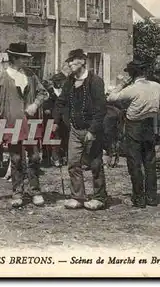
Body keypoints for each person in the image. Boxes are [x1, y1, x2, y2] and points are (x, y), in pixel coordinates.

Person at [0, 42, 48, 207]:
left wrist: (35, 104)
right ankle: (18, 192)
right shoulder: (0, 78)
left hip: (31, 124)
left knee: (35, 157)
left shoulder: (31, 75)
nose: (27, 61)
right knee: (16, 159)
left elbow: (43, 92)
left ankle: (35, 191)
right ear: (14, 58)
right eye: (23, 58)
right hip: (11, 124)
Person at [107, 60, 160, 207]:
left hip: (134, 126)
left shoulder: (132, 89)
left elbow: (111, 98)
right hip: (150, 125)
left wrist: (122, 84)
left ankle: (139, 198)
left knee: (134, 163)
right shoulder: (156, 86)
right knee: (150, 161)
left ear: (131, 74)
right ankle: (152, 197)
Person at [53, 49, 107, 211]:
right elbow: (60, 102)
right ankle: (78, 196)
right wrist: (56, 121)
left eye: (73, 60)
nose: (69, 64)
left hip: (92, 129)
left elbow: (101, 109)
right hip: (75, 130)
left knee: (95, 164)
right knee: (73, 163)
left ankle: (99, 197)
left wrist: (93, 130)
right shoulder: (69, 82)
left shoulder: (95, 81)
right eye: (69, 61)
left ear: (83, 61)